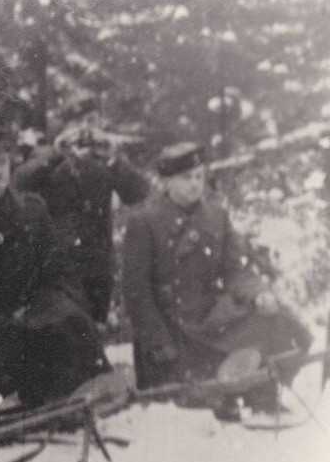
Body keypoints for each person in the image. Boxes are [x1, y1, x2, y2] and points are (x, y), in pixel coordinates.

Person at [123, 142, 311, 418]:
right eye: (186, 178)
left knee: (274, 318)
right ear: (167, 182)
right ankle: (226, 391)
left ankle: (262, 396)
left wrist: (258, 294)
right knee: (195, 393)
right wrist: (158, 341)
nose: (195, 185)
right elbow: (136, 292)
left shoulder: (215, 215)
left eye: (199, 176)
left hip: (209, 318)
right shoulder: (145, 221)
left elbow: (237, 270)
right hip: (171, 326)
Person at [0, 131, 110, 411]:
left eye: (2, 162)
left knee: (68, 322)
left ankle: (88, 395)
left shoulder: (32, 210)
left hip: (32, 318)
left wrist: (38, 308)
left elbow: (57, 270)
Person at [12, 130, 149, 323]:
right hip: (60, 268)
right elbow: (19, 183)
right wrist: (57, 153)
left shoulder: (102, 159)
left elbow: (138, 192)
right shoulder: (47, 157)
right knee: (65, 334)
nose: (83, 134)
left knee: (94, 334)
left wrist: (113, 158)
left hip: (97, 267)